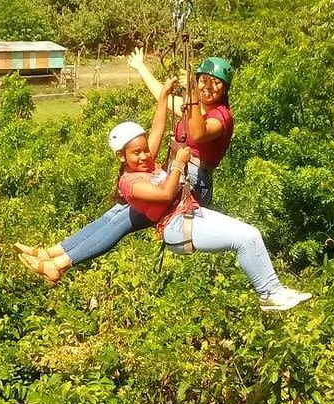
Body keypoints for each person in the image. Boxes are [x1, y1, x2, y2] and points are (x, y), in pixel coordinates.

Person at [19, 78, 312, 311]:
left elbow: (157, 128)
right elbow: (164, 194)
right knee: (119, 220)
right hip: (176, 223)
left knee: (114, 218)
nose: (146, 156)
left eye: (146, 150)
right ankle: (271, 293)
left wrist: (161, 98)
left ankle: (54, 255)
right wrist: (179, 164)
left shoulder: (145, 162)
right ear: (122, 157)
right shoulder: (132, 182)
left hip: (188, 213)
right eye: (138, 153)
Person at [14, 49, 235, 269]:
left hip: (192, 183)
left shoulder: (221, 116)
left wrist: (192, 95)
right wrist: (141, 67)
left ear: (225, 88)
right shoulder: (193, 107)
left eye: (216, 83)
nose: (208, 87)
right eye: (203, 81)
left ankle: (59, 265)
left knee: (124, 219)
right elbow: (162, 98)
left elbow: (198, 133)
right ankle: (52, 252)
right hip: (175, 175)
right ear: (197, 81)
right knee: (116, 212)